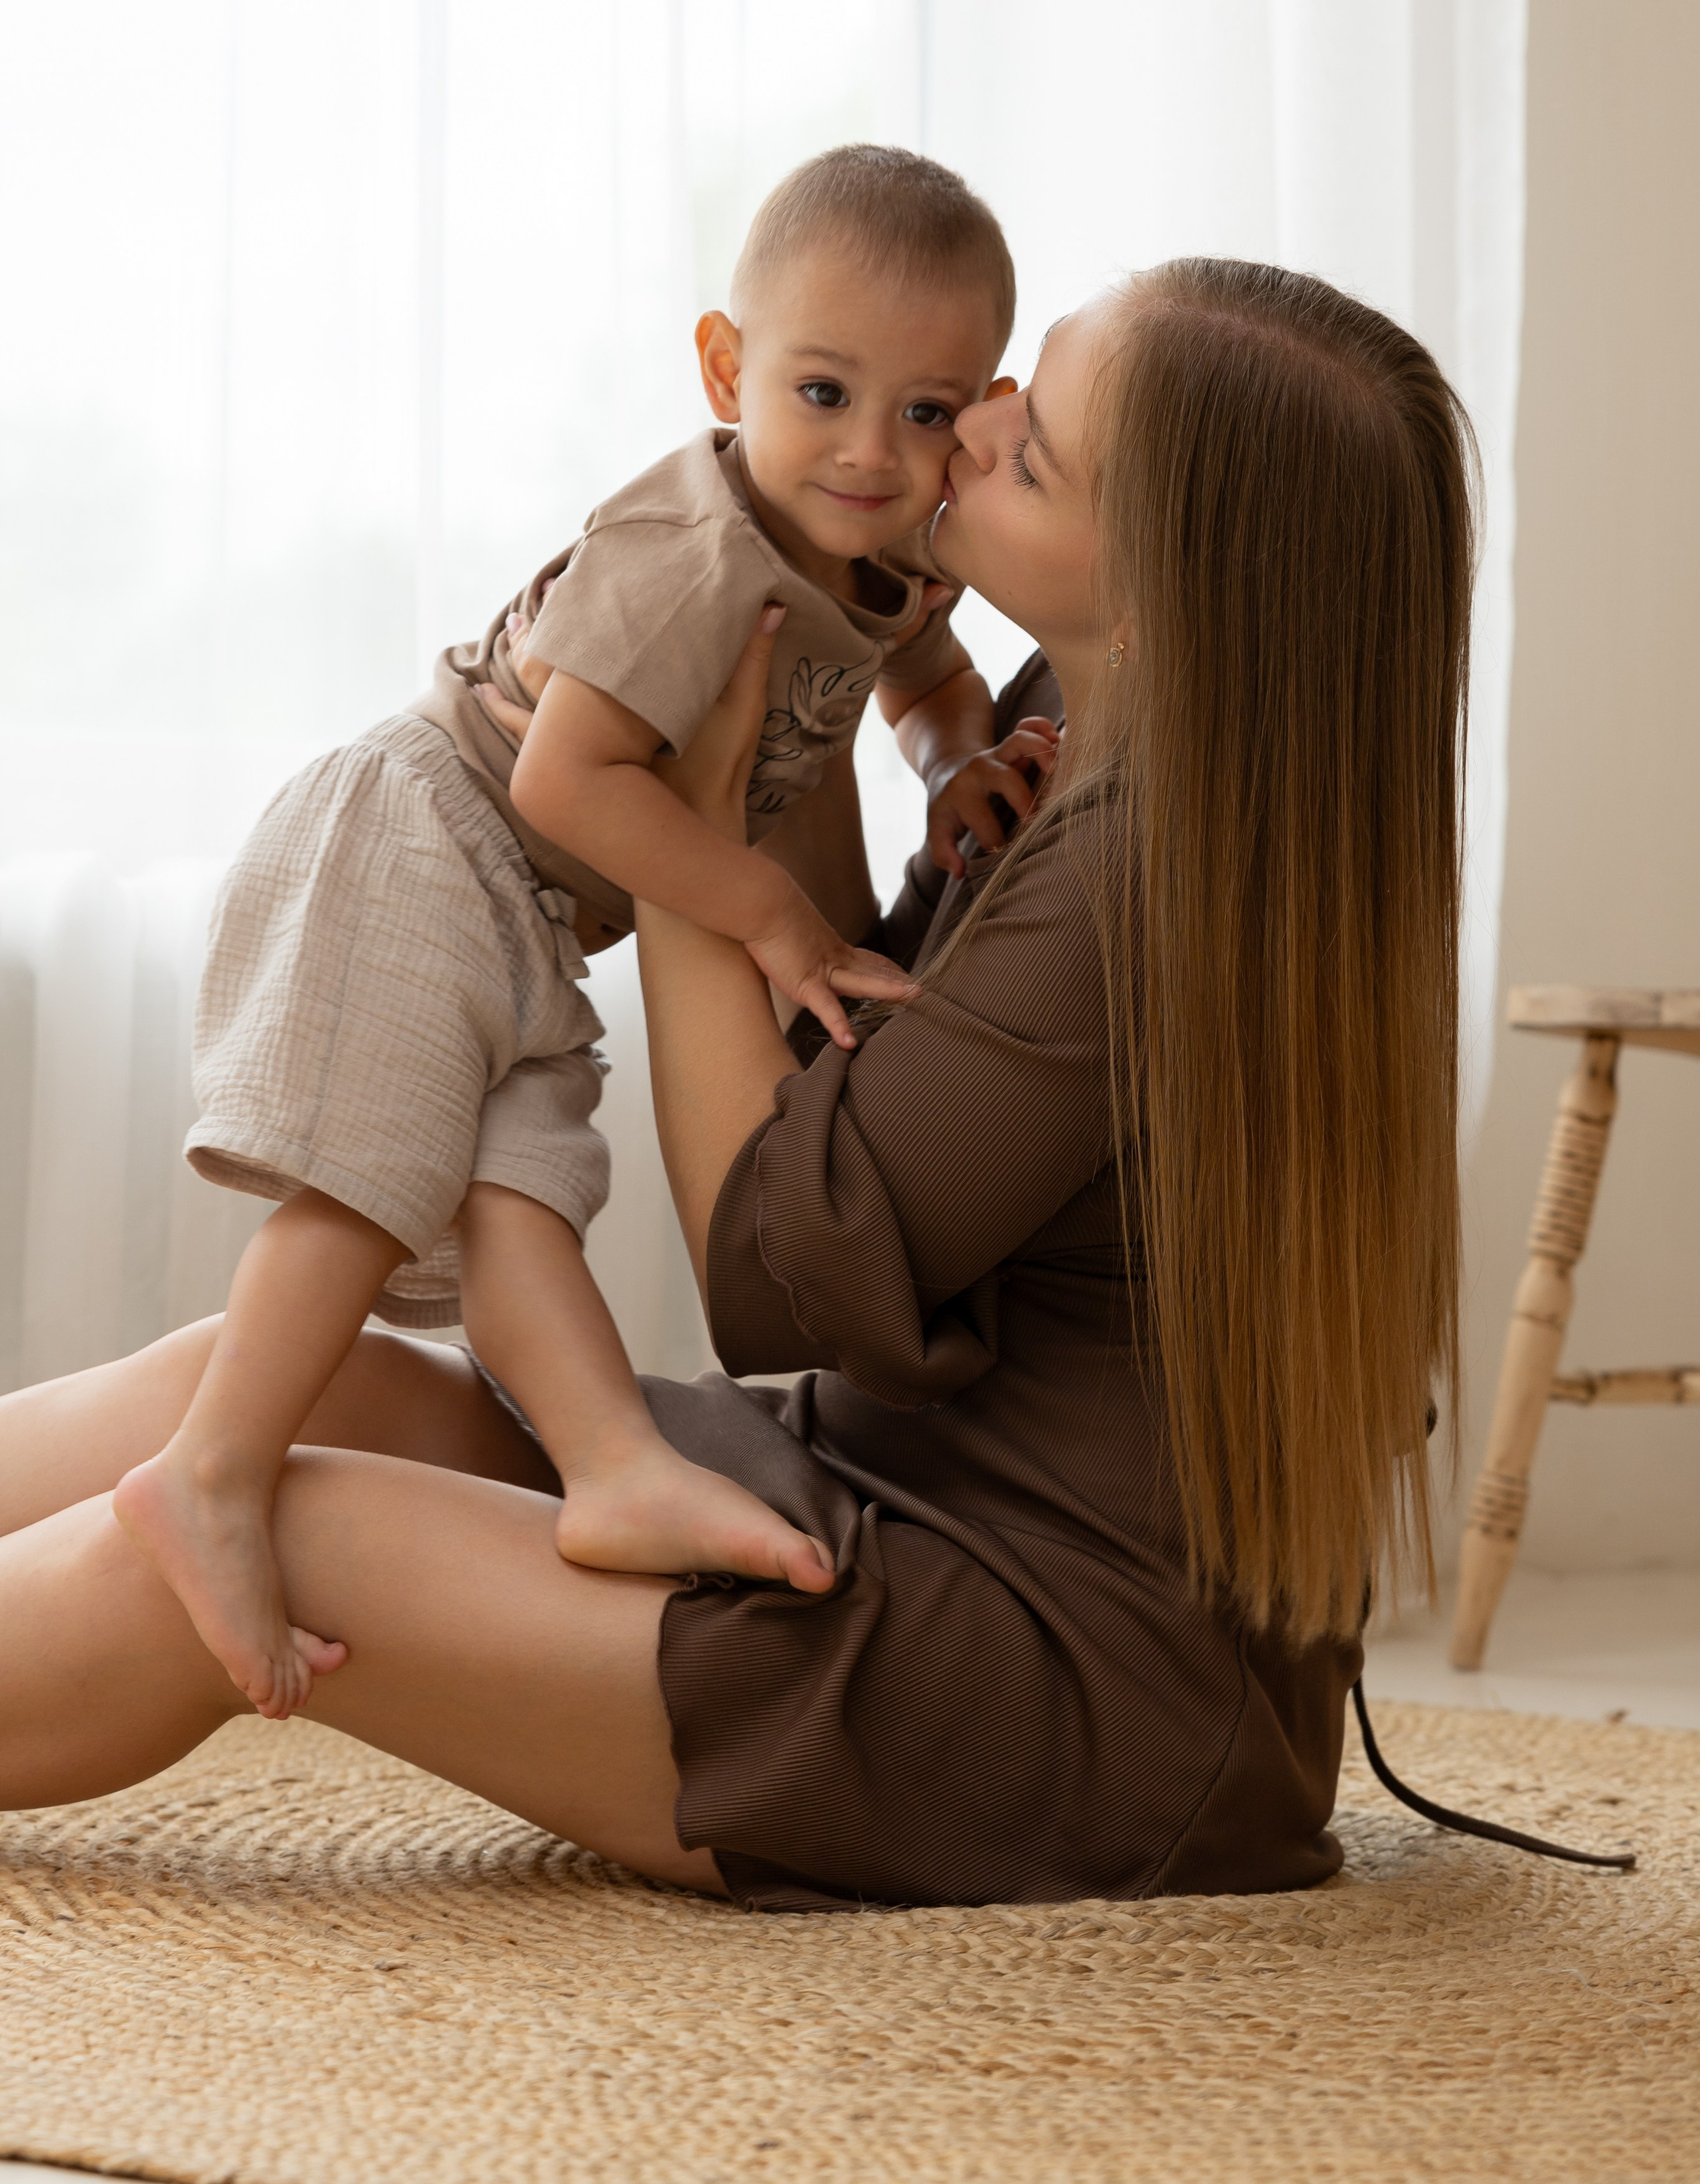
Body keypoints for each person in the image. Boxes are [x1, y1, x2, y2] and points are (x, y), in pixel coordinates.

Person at [0, 258, 1472, 1912]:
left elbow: (772, 1262)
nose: (968, 429)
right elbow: (850, 1050)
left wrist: (697, 812)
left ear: (1160, 604)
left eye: (1033, 449)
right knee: (263, 1379)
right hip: (897, 1494)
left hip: (1058, 1687)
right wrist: (795, 722)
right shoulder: (1076, 739)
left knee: (287, 1517)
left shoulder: (1150, 882)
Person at [113, 145, 1059, 1725]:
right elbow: (561, 768)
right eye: (820, 392)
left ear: (974, 413)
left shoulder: (882, 555)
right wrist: (764, 911)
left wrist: (955, 763)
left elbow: (928, 683)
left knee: (525, 1187)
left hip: (532, 900)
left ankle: (612, 1464)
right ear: (725, 365)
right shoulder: (692, 546)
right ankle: (209, 1470)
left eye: (921, 412)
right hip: (426, 828)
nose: (866, 454)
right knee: (383, 1177)